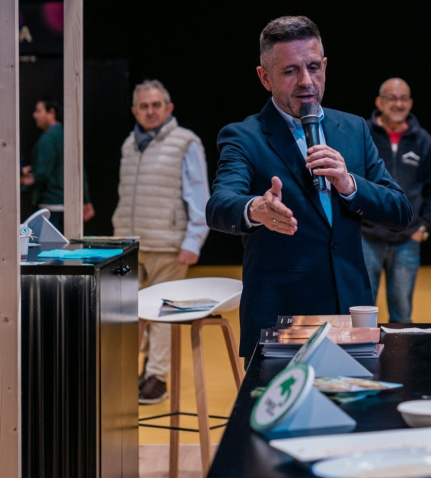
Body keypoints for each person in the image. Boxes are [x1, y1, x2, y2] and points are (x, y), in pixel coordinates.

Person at [206, 16, 411, 357]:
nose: (306, 81)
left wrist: (349, 184)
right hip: (281, 320)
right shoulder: (244, 136)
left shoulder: (353, 129)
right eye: (290, 71)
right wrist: (255, 208)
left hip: (351, 315)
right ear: (264, 77)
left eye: (314, 67)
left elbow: (400, 210)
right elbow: (219, 204)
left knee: (355, 410)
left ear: (325, 66)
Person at [112, 79, 210, 404]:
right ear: (133, 111)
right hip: (130, 244)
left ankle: (158, 378)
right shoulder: (129, 143)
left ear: (169, 108)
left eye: (156, 105)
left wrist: (194, 240)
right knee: (129, 316)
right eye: (144, 106)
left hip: (169, 245)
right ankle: (137, 371)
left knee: (163, 316)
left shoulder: (186, 142)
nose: (150, 111)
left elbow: (199, 194)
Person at [362, 78, 431, 323]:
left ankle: (402, 363)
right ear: (379, 102)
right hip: (366, 238)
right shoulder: (362, 134)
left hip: (407, 240)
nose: (397, 104)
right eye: (391, 98)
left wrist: (423, 227)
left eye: (403, 98)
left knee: (402, 312)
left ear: (410, 103)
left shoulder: (423, 141)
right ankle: (361, 361)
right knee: (362, 310)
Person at [21, 97, 95, 231]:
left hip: (49, 207)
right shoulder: (69, 136)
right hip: (70, 206)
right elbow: (80, 170)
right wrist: (85, 200)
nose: (35, 115)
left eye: (39, 110)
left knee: (49, 250)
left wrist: (19, 189)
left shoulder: (47, 138)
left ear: (52, 112)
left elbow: (42, 172)